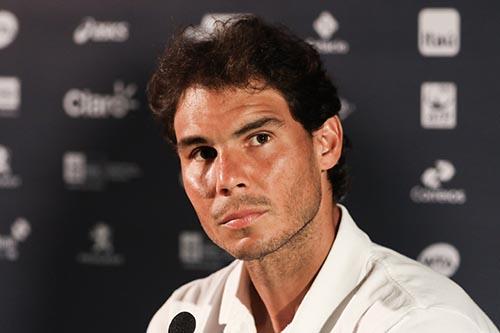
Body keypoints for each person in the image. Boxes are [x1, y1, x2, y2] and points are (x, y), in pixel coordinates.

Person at [146, 15, 498, 333]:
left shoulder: (422, 321)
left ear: (326, 145)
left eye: (259, 138)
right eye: (202, 153)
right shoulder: (182, 315)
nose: (226, 179)